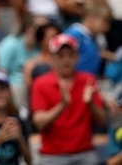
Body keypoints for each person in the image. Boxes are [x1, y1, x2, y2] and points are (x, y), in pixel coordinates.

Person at [31, 33, 106, 164]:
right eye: (61, 56)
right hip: (52, 155)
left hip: (84, 152)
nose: (66, 60)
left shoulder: (88, 81)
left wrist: (90, 104)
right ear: (52, 59)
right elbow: (39, 123)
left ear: (77, 58)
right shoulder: (40, 83)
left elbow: (101, 120)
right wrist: (62, 105)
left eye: (70, 55)